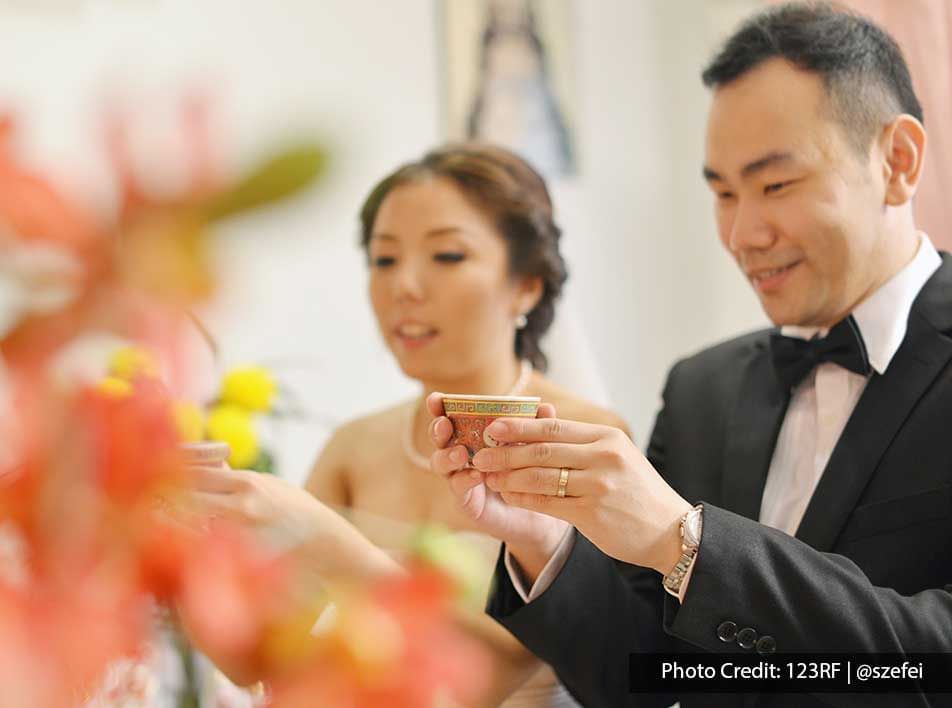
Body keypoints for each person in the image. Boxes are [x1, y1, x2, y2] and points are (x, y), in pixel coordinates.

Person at [429, 3, 952, 706]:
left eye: (775, 185)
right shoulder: (702, 389)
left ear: (898, 161)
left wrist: (689, 545)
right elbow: (638, 679)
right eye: (723, 193)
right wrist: (541, 544)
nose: (741, 234)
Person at [188, 143, 629, 708]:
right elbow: (259, 660)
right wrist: (196, 558)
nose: (405, 287)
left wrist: (325, 539)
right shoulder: (354, 447)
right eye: (384, 260)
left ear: (528, 285)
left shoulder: (582, 436)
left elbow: (484, 680)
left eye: (447, 256)